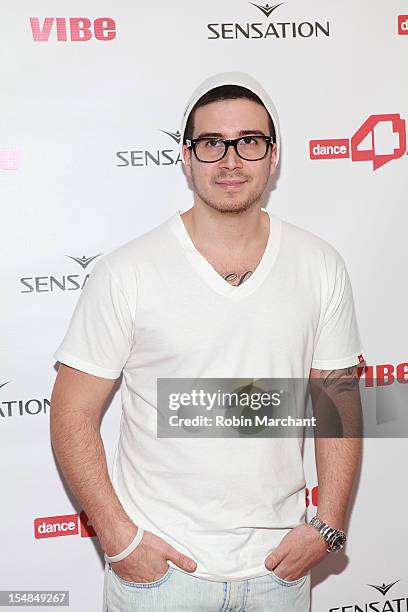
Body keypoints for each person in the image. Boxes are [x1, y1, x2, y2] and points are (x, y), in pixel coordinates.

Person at [50, 72, 366, 612]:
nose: (230, 160)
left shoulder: (319, 265)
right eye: (211, 143)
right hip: (161, 577)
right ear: (186, 155)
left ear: (273, 156)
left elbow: (336, 400)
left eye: (249, 142)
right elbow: (71, 414)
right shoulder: (127, 272)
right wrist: (120, 540)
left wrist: (329, 526)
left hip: (279, 573)